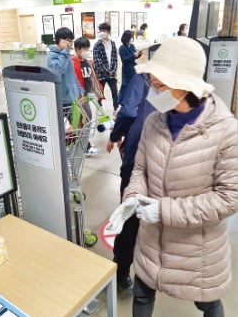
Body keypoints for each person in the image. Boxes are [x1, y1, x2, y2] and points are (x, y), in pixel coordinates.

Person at [110, 36, 238, 317]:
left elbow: (229, 198)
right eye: (152, 84)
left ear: (185, 85)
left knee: (208, 303)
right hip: (151, 241)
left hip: (196, 250)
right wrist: (132, 198)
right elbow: (141, 168)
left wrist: (164, 210)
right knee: (142, 295)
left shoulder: (226, 131)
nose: (154, 92)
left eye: (160, 85)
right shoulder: (154, 121)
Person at [106, 74, 155, 291]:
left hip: (138, 156)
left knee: (130, 217)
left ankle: (122, 273)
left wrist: (115, 134)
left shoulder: (143, 79)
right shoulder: (186, 90)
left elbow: (127, 111)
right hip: (166, 162)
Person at [72, 36, 101, 157]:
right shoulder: (72, 63)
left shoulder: (88, 62)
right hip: (79, 99)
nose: (87, 50)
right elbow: (72, 82)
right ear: (77, 49)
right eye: (84, 48)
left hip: (87, 97)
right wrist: (78, 97)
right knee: (84, 122)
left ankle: (85, 145)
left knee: (84, 122)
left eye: (88, 48)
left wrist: (97, 92)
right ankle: (85, 147)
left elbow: (92, 78)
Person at [47, 27, 83, 106]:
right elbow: (59, 70)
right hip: (62, 99)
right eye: (68, 41)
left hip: (73, 96)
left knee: (85, 117)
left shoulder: (66, 54)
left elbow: (72, 75)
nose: (70, 44)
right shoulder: (52, 55)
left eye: (71, 41)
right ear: (60, 40)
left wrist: (79, 90)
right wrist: (65, 51)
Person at [93, 22, 118, 114]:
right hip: (101, 74)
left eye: (104, 30)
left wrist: (113, 70)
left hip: (112, 74)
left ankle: (116, 108)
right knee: (100, 92)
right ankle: (99, 108)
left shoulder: (113, 43)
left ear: (109, 31)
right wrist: (106, 71)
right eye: (100, 31)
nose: (102, 32)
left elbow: (115, 59)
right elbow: (97, 60)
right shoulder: (97, 45)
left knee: (115, 91)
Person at [118, 30, 143, 105]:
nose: (132, 39)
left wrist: (139, 54)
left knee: (133, 85)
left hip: (133, 69)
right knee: (125, 86)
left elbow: (135, 57)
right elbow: (124, 60)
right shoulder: (122, 48)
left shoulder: (132, 46)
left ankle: (130, 100)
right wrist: (133, 56)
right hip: (126, 69)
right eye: (131, 37)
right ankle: (121, 101)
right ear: (126, 38)